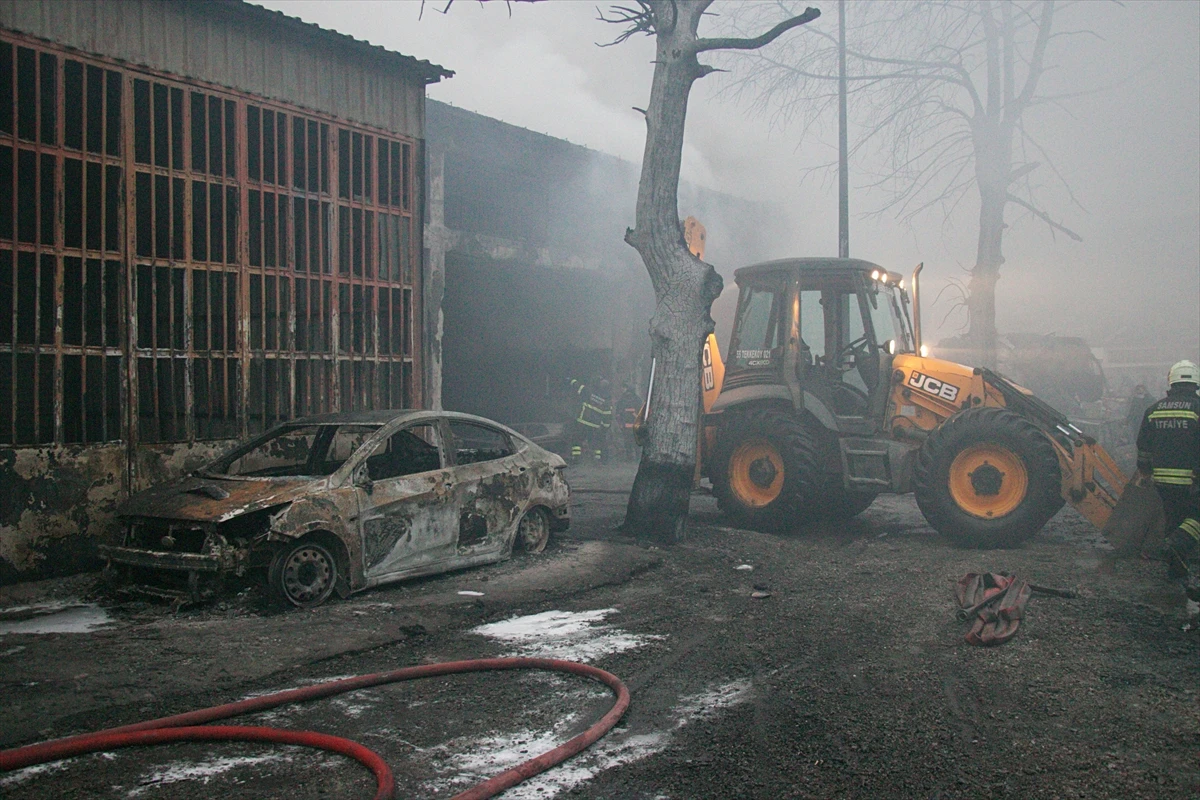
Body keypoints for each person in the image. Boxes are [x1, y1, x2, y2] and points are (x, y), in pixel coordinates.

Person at [1135, 360, 1200, 581]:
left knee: (1174, 519)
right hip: (1192, 479)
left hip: (1162, 481)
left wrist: (1144, 471)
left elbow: (1143, 446)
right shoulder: (1198, 409)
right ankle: (1178, 543)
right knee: (1194, 518)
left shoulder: (1154, 410)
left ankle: (1175, 573)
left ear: (1171, 382)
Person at [568, 376, 612, 462]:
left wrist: (571, 380)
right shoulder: (606, 400)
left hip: (582, 421)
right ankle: (596, 460)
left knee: (577, 440)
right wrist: (605, 427)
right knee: (595, 443)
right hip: (595, 425)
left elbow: (578, 386)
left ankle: (576, 459)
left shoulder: (589, 391)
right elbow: (607, 415)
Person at [615, 382, 643, 462]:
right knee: (630, 443)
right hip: (629, 426)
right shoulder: (624, 399)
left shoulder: (633, 399)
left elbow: (641, 412)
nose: (623, 390)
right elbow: (618, 413)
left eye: (625, 388)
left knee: (632, 443)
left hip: (632, 426)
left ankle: (634, 458)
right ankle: (631, 458)